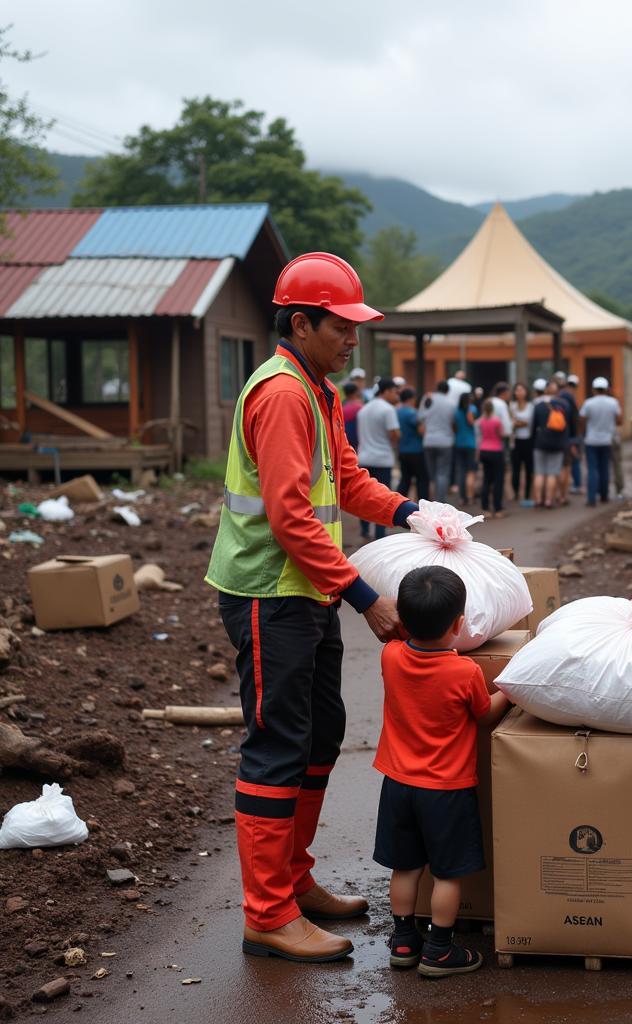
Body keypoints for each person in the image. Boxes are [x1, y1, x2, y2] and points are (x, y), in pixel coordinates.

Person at [206, 252, 417, 963]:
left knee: (319, 736)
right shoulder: (284, 395)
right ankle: (267, 914)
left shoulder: (318, 389)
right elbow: (292, 516)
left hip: (305, 591)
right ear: (301, 323)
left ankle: (292, 883)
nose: (353, 340)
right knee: (277, 746)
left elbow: (348, 481)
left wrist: (412, 512)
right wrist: (364, 596)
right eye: (343, 327)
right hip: (270, 592)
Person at [373, 566, 510, 977]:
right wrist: (510, 689)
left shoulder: (391, 655)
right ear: (459, 625)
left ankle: (402, 941)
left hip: (397, 784)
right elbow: (484, 715)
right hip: (446, 790)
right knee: (448, 874)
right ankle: (439, 950)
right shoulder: (464, 672)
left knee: (406, 867)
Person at [356, 378, 400, 541]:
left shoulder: (363, 410)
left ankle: (365, 530)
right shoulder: (388, 410)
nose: (397, 395)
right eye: (395, 392)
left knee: (364, 497)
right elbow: (395, 434)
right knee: (382, 498)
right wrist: (393, 443)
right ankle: (380, 534)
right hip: (382, 459)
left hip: (365, 457)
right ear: (386, 391)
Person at [579, 376, 622, 506]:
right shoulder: (613, 402)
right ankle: (604, 495)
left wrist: (585, 431)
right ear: (607, 389)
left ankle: (591, 498)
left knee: (592, 469)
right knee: (605, 468)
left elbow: (581, 419)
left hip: (591, 440)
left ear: (593, 389)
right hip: (607, 440)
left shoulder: (588, 403)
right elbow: (620, 420)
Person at [531, 379, 572, 509]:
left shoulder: (538, 406)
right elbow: (568, 425)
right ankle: (549, 500)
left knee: (539, 473)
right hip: (558, 444)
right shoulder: (564, 405)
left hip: (540, 443)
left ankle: (538, 500)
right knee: (552, 474)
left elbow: (533, 426)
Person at [420, 380, 456, 501]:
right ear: (447, 391)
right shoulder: (451, 403)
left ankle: (431, 500)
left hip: (428, 440)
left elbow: (420, 417)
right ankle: (440, 501)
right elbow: (453, 422)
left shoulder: (427, 399)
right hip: (445, 441)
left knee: (432, 475)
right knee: (443, 473)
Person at [397, 387, 429, 501]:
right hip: (416, 450)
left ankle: (398, 502)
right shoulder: (412, 413)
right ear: (411, 399)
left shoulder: (397, 411)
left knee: (405, 479)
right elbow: (421, 431)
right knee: (422, 479)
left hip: (402, 449)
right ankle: (423, 504)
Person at [477, 399, 506, 518]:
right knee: (498, 480)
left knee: (486, 480)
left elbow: (480, 434)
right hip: (496, 451)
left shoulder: (480, 421)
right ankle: (498, 508)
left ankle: (485, 508)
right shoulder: (497, 421)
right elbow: (502, 434)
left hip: (484, 450)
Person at [509, 382, 535, 507]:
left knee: (529, 468)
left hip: (528, 441)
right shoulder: (512, 405)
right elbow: (510, 423)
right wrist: (519, 422)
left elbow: (528, 422)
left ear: (526, 392)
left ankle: (527, 494)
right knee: (516, 469)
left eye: (521, 390)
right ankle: (516, 492)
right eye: (517, 390)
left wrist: (516, 422)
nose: (519, 392)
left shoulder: (531, 406)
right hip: (515, 441)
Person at [557, 374, 581, 502]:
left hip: (563, 436)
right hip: (570, 436)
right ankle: (574, 486)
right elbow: (574, 419)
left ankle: (563, 491)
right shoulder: (569, 398)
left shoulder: (560, 398)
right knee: (570, 463)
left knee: (563, 464)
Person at [453, 391, 479, 503]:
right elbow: (472, 422)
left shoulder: (456, 411)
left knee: (461, 471)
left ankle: (462, 497)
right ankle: (470, 496)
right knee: (470, 471)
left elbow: (454, 426)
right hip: (470, 443)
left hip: (458, 443)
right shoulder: (472, 409)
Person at [341, 381, 363, 449]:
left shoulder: (341, 407)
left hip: (345, 442)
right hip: (358, 443)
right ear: (356, 392)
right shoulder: (360, 408)